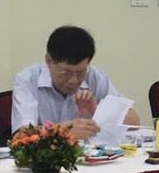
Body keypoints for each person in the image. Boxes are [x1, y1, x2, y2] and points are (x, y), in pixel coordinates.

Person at [11, 25, 139, 141]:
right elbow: (22, 135)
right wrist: (62, 131)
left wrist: (97, 111)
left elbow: (134, 123)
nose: (74, 80)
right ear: (49, 61)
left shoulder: (95, 77)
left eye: (80, 72)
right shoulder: (27, 80)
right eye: (66, 72)